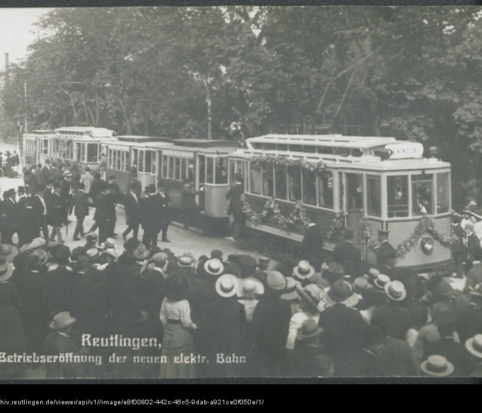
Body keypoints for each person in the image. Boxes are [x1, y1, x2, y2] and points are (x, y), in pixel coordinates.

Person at [200, 273, 251, 377]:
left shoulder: (211, 305)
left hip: (214, 342)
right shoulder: (240, 307)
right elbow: (243, 328)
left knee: (214, 369)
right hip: (231, 343)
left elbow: (205, 326)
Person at [317, 279, 364, 376]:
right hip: (350, 359)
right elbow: (359, 340)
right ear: (347, 296)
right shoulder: (356, 315)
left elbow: (322, 338)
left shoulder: (325, 314)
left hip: (331, 358)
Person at [251, 271, 292, 376]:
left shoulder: (261, 304)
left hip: (262, 346)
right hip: (278, 347)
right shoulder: (285, 305)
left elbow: (255, 327)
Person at [159, 275, 198, 379]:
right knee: (182, 358)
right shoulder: (184, 303)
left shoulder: (165, 300)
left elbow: (162, 318)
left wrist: (166, 328)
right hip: (181, 333)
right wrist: (194, 326)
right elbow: (186, 323)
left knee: (169, 357)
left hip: (168, 332)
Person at [0, 257, 27, 378]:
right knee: (16, 340)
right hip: (12, 314)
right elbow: (19, 302)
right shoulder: (11, 285)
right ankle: (17, 366)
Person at [43, 311, 89, 378]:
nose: (71, 326)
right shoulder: (60, 343)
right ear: (67, 327)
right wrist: (80, 353)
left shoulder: (49, 337)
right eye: (70, 324)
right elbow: (65, 365)